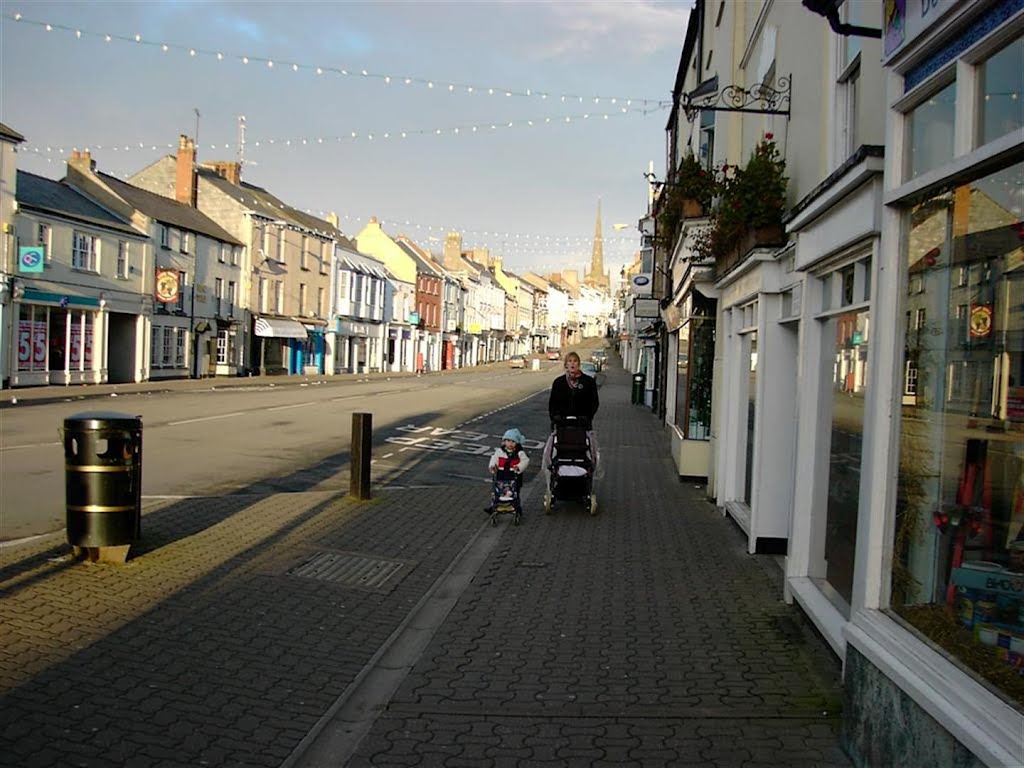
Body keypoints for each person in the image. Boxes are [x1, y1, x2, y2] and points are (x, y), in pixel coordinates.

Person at [544, 351, 599, 474]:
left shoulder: (588, 382)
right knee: (555, 451)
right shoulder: (559, 382)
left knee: (588, 451)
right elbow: (552, 403)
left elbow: (594, 402)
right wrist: (554, 417)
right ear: (566, 365)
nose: (572, 364)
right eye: (569, 361)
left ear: (579, 364)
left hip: (582, 424)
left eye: (575, 361)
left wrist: (588, 416)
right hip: (562, 424)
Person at [484, 428, 530, 516]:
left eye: (513, 441)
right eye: (508, 441)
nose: (510, 443)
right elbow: (494, 458)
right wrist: (493, 466)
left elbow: (525, 461)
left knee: (515, 492)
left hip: (514, 475)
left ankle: (517, 508)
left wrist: (519, 467)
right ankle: (494, 506)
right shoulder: (500, 452)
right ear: (504, 441)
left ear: (517, 443)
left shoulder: (519, 453)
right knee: (497, 491)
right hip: (501, 474)